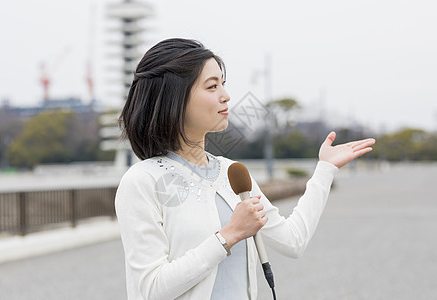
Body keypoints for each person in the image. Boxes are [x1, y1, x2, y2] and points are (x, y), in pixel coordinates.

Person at [115, 38, 375, 300]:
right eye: (212, 86)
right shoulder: (142, 181)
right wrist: (230, 235)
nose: (226, 96)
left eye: (223, 84)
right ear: (175, 96)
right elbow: (149, 290)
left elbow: (293, 241)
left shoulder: (233, 173)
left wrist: (325, 170)